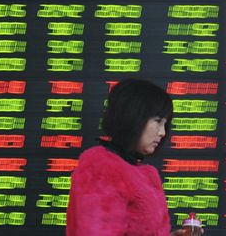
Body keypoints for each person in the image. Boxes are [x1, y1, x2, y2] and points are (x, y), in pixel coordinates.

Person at [66, 78, 189, 236]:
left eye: (165, 123)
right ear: (133, 117)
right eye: (158, 121)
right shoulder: (102, 166)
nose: (162, 132)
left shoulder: (143, 173)